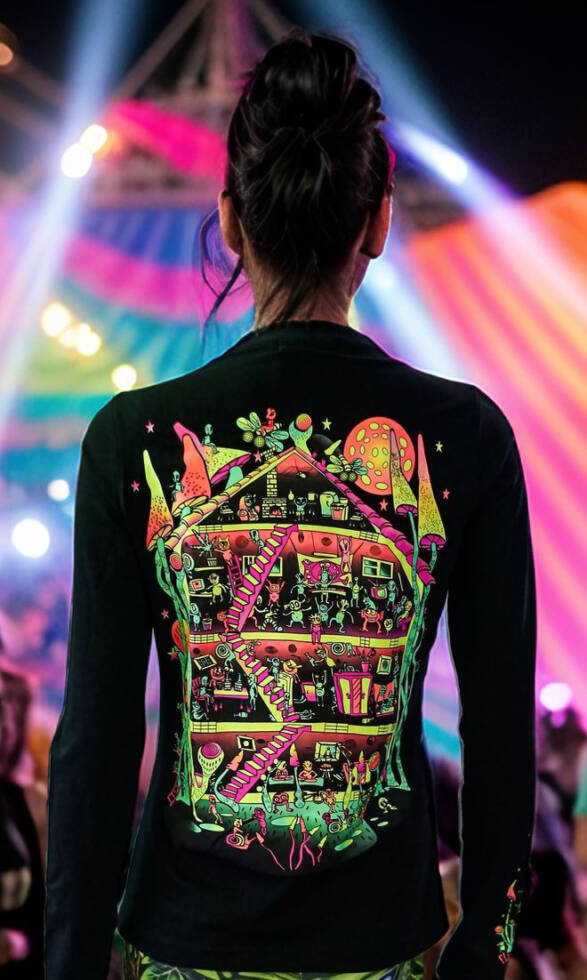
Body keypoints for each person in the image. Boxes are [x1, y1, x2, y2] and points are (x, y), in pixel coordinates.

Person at [44, 27, 537, 980]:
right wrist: (486, 946)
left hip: (179, 948)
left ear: (230, 220)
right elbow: (499, 734)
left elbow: (95, 743)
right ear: (378, 222)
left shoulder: (134, 440)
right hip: (382, 950)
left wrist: (67, 961)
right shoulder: (466, 437)